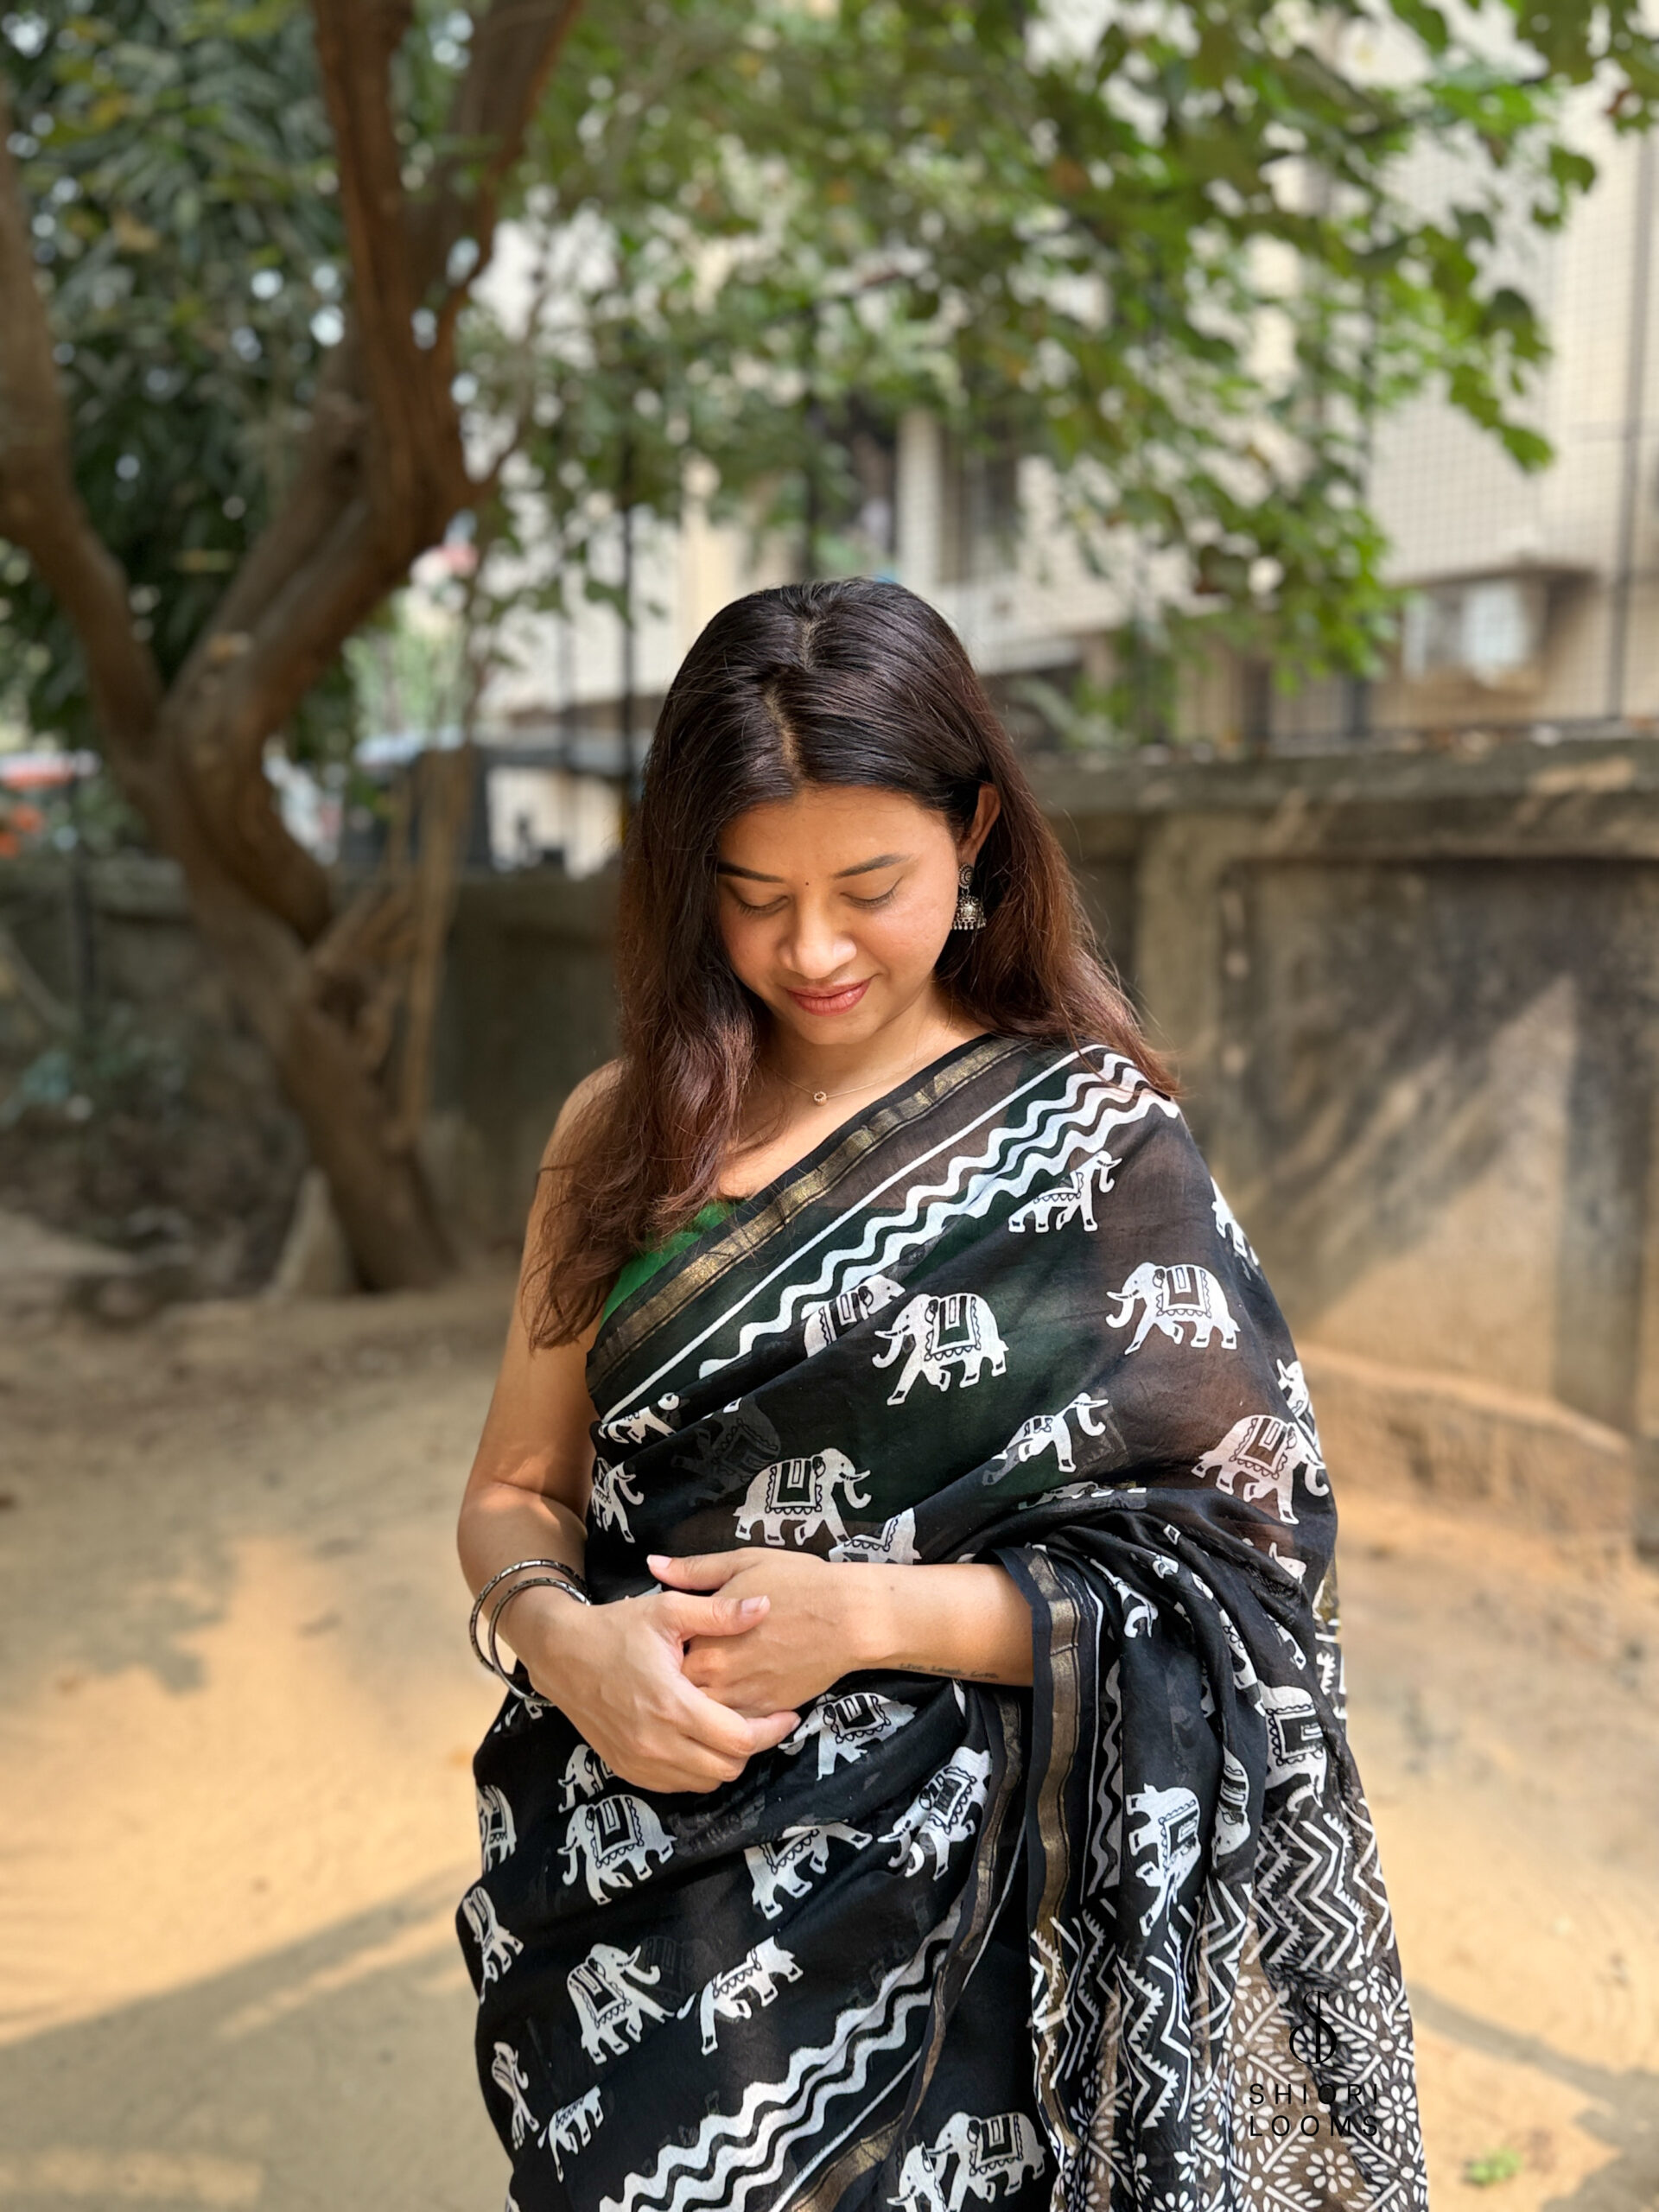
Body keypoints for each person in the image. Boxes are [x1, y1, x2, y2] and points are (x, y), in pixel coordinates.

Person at [454, 578, 1428, 2212]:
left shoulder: (1098, 1138)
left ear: (975, 835)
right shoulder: (614, 1135)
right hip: (659, 1865)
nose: (811, 949)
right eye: (751, 896)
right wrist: (566, 1642)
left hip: (1009, 1901)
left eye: (869, 885)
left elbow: (1243, 1570)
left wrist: (869, 1618)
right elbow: (515, 1493)